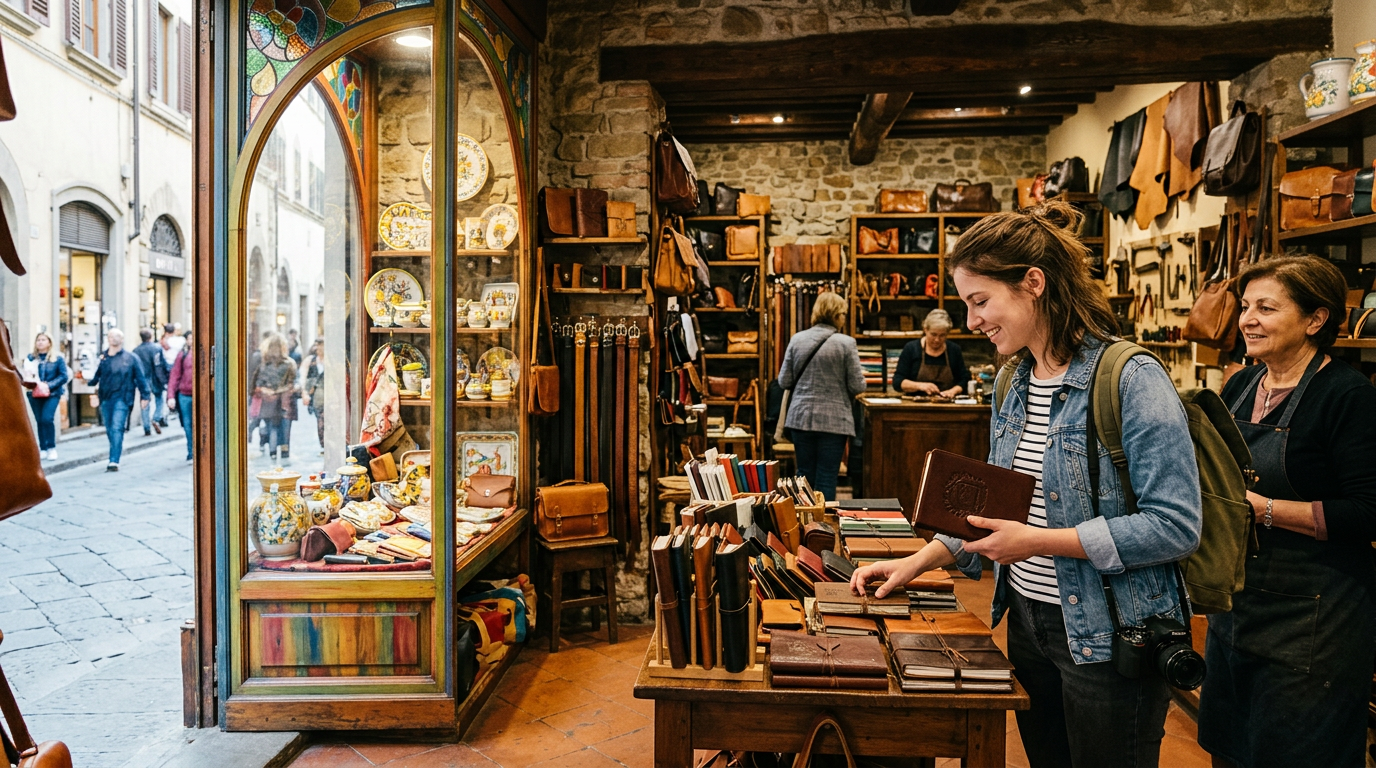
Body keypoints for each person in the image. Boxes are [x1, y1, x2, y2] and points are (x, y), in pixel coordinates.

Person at [851, 202, 1201, 768]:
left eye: (980, 301)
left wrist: (1034, 543)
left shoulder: (1131, 379)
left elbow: (1175, 526)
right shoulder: (1013, 381)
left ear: (1033, 283)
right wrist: (916, 562)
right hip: (1030, 624)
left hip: (1110, 636)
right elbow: (996, 512)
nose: (971, 322)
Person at [1197, 256, 1376, 768]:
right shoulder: (1239, 387)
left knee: (1297, 752)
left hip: (1316, 615)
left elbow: (1368, 512)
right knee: (1230, 747)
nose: (1247, 319)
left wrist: (1265, 510)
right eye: (1246, 306)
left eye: (1266, 308)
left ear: (1315, 320)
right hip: (1239, 604)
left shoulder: (1347, 396)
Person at [775, 291, 865, 501]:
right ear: (834, 315)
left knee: (803, 476)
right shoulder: (846, 343)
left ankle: (800, 524)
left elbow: (784, 381)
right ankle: (823, 527)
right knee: (827, 478)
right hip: (834, 422)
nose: (843, 318)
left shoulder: (797, 339)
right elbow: (857, 385)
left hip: (800, 418)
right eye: (842, 314)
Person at [88, 328, 152, 471]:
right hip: (105, 397)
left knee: (117, 427)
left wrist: (145, 395)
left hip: (123, 397)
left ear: (122, 339)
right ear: (108, 338)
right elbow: (97, 376)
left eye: (117, 336)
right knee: (110, 428)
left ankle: (113, 460)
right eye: (111, 336)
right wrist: (89, 386)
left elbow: (140, 378)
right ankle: (115, 450)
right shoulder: (103, 358)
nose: (114, 338)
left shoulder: (131, 358)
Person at [891, 308, 971, 398]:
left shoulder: (954, 350)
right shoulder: (911, 349)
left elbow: (964, 379)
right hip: (916, 405)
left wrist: (953, 391)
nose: (937, 340)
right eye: (933, 334)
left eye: (942, 335)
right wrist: (920, 386)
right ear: (925, 330)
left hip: (947, 404)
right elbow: (897, 382)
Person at [251, 332, 298, 462]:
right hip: (285, 401)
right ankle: (284, 453)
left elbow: (259, 382)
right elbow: (292, 383)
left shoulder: (264, 364)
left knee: (272, 427)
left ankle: (272, 453)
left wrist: (268, 391)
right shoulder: (289, 363)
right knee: (285, 429)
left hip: (269, 401)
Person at [25, 332, 70, 461]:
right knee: (39, 420)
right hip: (34, 393)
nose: (40, 342)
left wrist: (49, 385)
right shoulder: (31, 358)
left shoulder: (57, 358)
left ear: (49, 342)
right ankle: (43, 448)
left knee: (47, 419)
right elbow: (27, 374)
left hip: (52, 393)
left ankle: (51, 447)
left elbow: (63, 376)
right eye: (38, 340)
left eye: (43, 339)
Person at [132, 328, 169, 435]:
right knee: (159, 399)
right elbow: (160, 364)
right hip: (154, 378)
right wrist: (164, 378)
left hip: (142, 379)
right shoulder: (156, 348)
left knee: (144, 402)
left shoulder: (136, 350)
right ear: (151, 336)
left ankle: (146, 427)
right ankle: (156, 418)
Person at [167, 330, 195, 463]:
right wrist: (170, 396)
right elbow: (175, 375)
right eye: (189, 338)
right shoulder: (182, 355)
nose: (191, 341)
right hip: (184, 394)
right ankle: (191, 452)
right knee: (187, 424)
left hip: (201, 396)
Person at [302, 337, 325, 452]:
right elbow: (304, 378)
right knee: (320, 421)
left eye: (321, 345)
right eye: (317, 345)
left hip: (331, 397)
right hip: (317, 398)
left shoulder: (332, 361)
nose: (319, 348)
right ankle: (323, 445)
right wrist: (305, 393)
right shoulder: (311, 361)